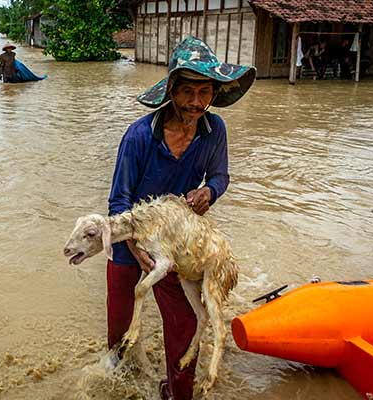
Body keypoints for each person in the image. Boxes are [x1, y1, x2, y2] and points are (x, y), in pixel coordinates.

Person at [106, 36, 255, 400]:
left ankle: (177, 392)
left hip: (174, 242)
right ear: (170, 91)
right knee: (121, 322)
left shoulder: (214, 129)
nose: (196, 102)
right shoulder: (140, 136)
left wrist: (210, 192)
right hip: (131, 238)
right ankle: (117, 376)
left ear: (214, 93)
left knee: (186, 323)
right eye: (187, 91)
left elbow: (220, 176)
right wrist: (134, 249)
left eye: (205, 92)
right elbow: (118, 202)